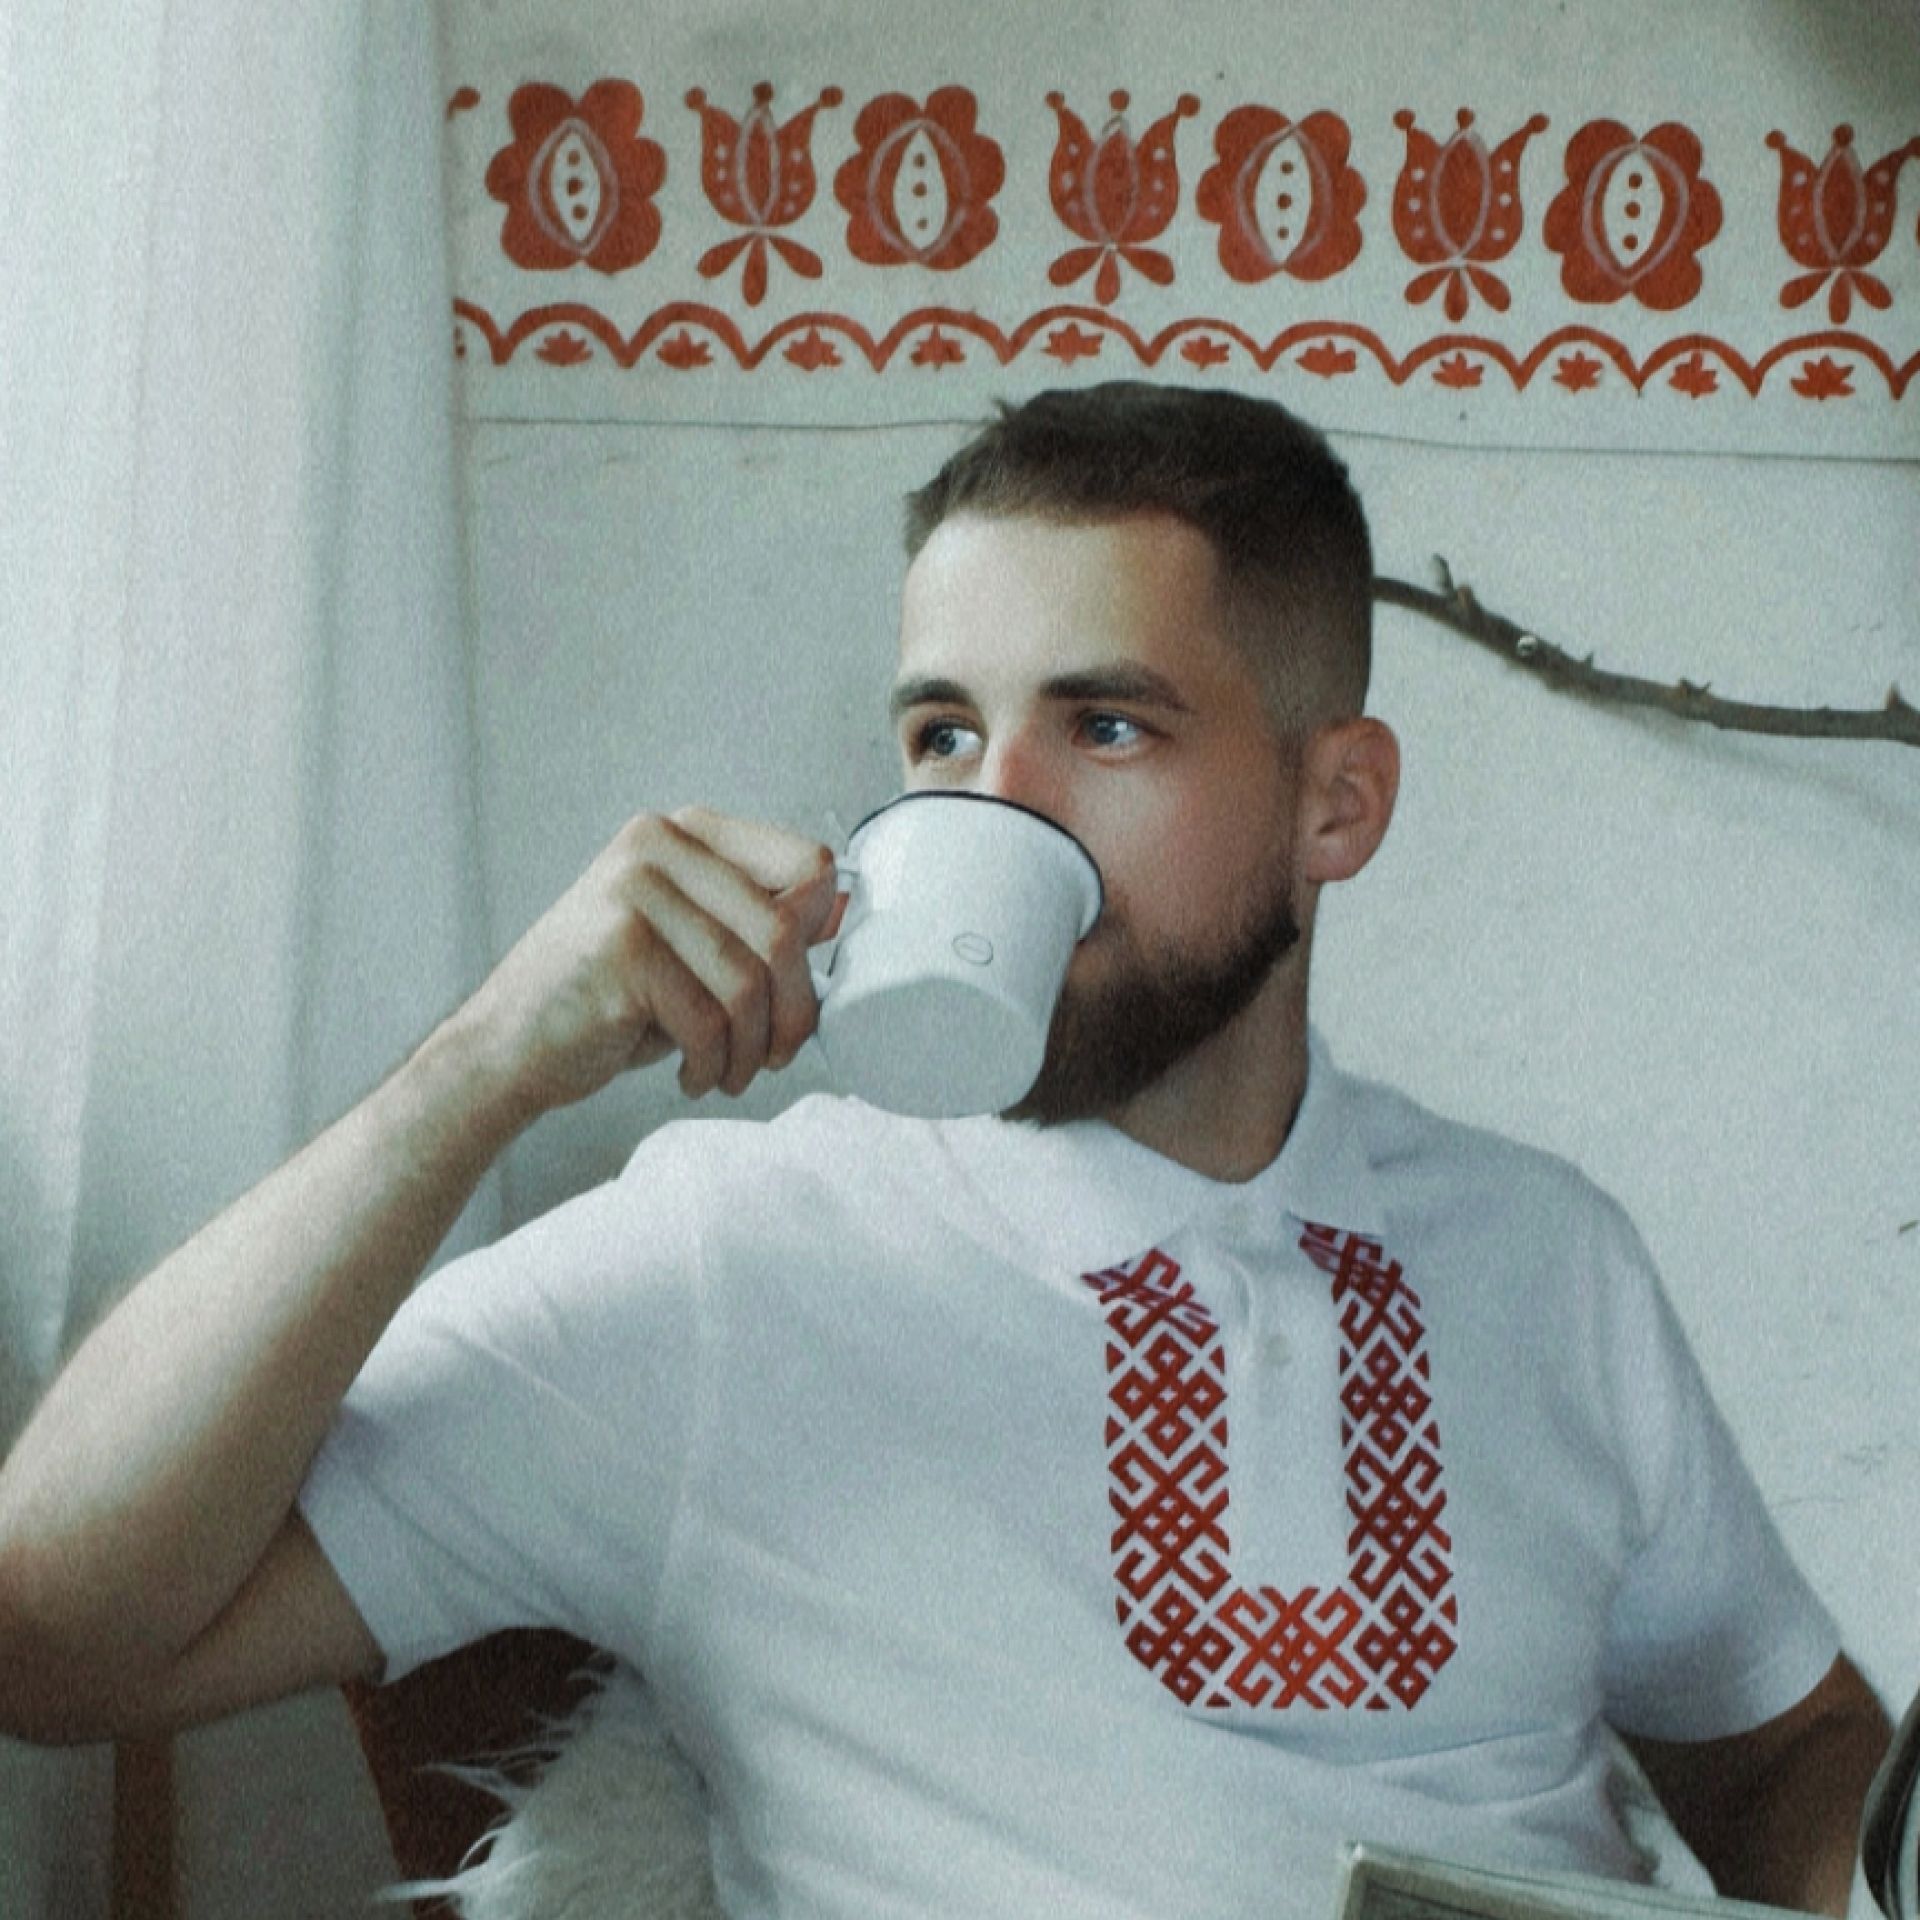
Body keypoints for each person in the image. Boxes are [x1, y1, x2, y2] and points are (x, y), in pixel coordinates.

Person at [0, 384, 1890, 1917]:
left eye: (1107, 726)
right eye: (941, 734)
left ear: (1338, 803)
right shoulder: (736, 1265)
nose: (999, 813)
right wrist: (483, 1067)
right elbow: (52, 1638)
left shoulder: (1547, 1257)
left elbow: (1788, 1757)